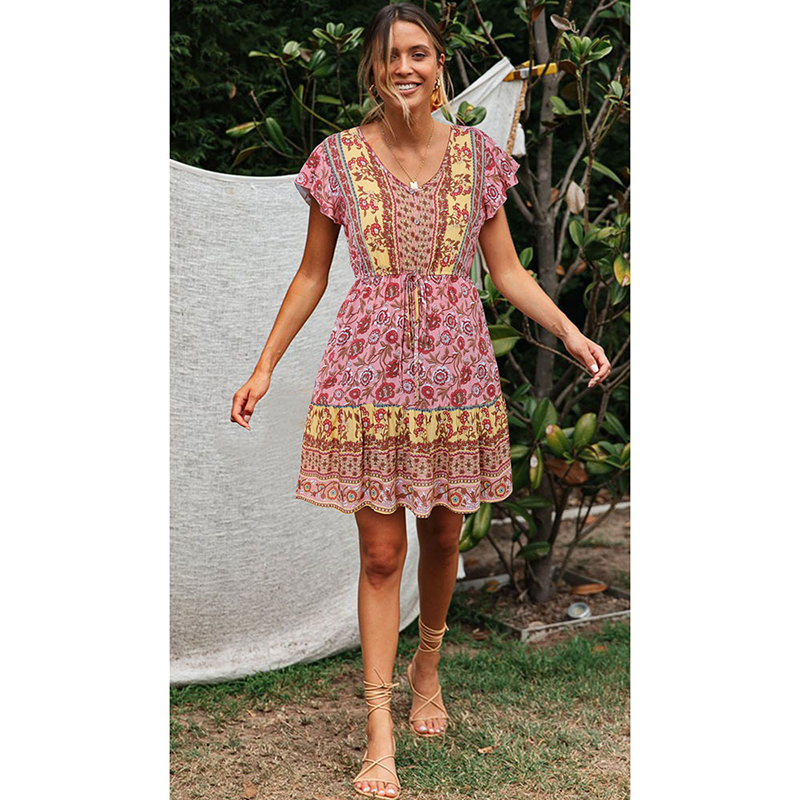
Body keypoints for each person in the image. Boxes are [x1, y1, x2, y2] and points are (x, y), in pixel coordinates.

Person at [231, 3, 611, 796]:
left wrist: (571, 331)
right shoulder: (338, 159)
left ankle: (427, 665)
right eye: (390, 55)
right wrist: (264, 367)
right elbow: (311, 275)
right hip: (368, 375)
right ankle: (379, 727)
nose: (404, 67)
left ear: (439, 65)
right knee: (381, 554)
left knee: (442, 540)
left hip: (455, 373)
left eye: (419, 54)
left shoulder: (477, 157)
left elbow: (508, 272)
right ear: (373, 69)